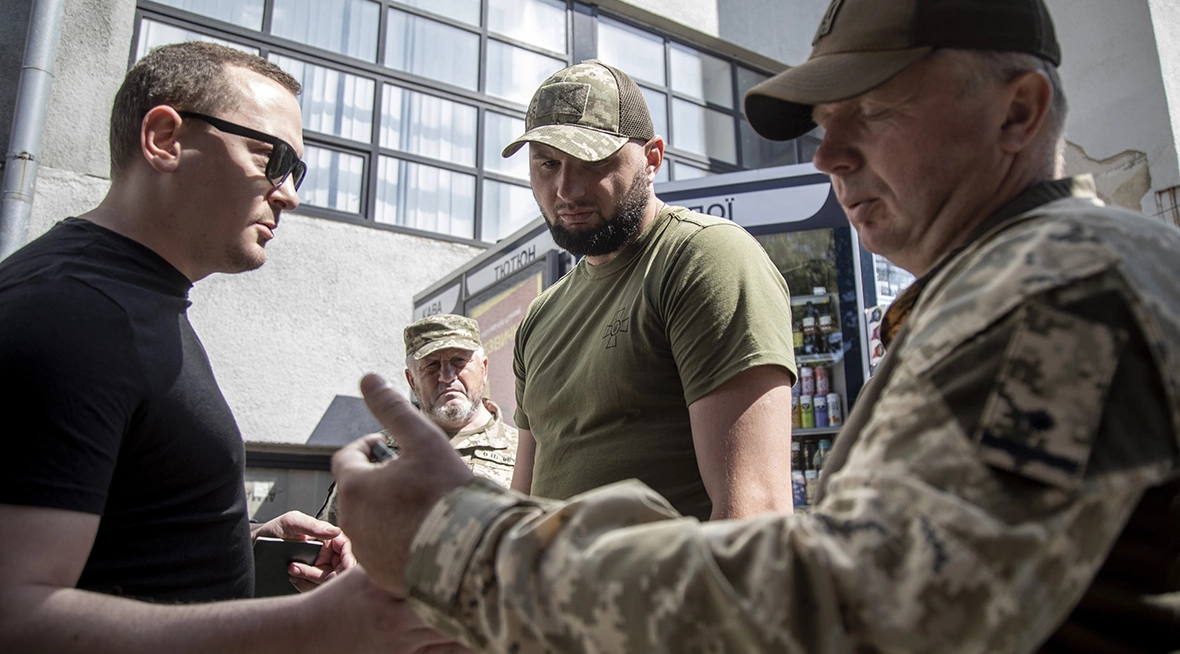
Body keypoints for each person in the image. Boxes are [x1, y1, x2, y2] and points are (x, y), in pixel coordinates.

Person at [330, 0, 1180, 654]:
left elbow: (878, 603)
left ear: (1018, 113)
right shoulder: (1017, 284)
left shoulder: (1062, 297)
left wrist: (467, 551)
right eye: (823, 120)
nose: (829, 155)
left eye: (873, 112)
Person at [0, 42, 456, 654]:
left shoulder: (132, 303)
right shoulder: (75, 310)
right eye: (271, 157)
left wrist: (237, 542)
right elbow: (16, 612)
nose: (289, 193)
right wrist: (319, 624)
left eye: (297, 171)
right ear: (164, 138)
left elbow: (112, 547)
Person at [502, 59, 797, 521]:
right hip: (548, 592)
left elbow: (754, 514)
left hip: (670, 593)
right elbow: (519, 511)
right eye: (548, 163)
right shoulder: (540, 318)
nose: (566, 189)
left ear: (653, 159)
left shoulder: (702, 258)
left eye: (592, 161)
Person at [318, 314, 517, 523]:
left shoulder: (525, 454)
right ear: (411, 380)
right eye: (431, 365)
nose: (447, 376)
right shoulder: (374, 457)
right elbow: (329, 544)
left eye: (459, 361)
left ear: (484, 369)